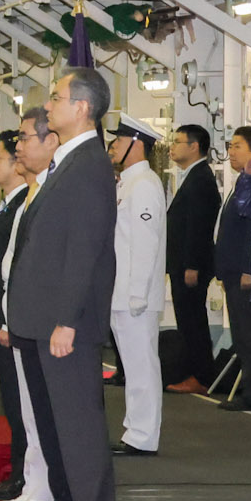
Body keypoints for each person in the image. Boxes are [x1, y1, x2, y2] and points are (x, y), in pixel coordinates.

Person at [5, 69, 120, 501]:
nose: (48, 105)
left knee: (80, 430)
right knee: (58, 426)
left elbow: (86, 251)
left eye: (56, 98)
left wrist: (68, 320)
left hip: (64, 325)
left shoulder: (90, 165)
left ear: (81, 109)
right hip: (44, 319)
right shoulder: (66, 163)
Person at [0, 131, 51, 501]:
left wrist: (5, 317)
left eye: (0, 156)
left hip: (11, 320)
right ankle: (20, 474)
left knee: (23, 406)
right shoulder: (10, 205)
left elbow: (18, 269)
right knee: (13, 403)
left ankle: (25, 477)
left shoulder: (25, 202)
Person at [107, 116, 168, 456]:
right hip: (122, 292)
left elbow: (145, 243)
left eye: (120, 140)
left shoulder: (144, 183)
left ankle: (143, 436)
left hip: (134, 296)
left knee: (142, 366)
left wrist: (137, 294)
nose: (114, 145)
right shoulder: (127, 183)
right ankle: (135, 431)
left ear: (137, 144)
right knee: (132, 366)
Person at [214, 125, 251, 411]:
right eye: (230, 145)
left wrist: (250, 270)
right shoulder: (242, 182)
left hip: (244, 274)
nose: (231, 151)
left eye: (237, 146)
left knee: (250, 335)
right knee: (242, 335)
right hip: (232, 272)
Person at [163, 123, 220, 392]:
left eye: (178, 142)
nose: (172, 147)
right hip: (181, 263)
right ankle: (192, 371)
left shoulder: (201, 179)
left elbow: (199, 227)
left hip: (190, 266)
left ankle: (201, 376)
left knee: (193, 321)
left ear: (194, 147)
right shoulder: (190, 176)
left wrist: (192, 265)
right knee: (186, 320)